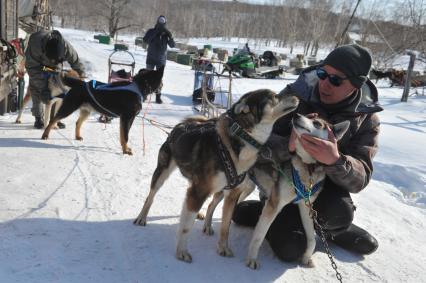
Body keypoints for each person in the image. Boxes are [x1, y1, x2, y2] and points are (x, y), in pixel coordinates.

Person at [233, 44, 383, 262]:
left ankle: (331, 227)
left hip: (322, 186)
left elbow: (360, 178)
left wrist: (336, 160)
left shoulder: (366, 119)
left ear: (356, 85)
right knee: (290, 250)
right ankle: (268, 210)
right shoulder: (294, 97)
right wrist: (288, 146)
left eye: (336, 80)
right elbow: (252, 140)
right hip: (283, 181)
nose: (325, 83)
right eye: (322, 73)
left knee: (340, 213)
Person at [25, 29, 85, 129]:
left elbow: (77, 63)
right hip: (38, 66)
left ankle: (55, 119)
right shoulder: (36, 44)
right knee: (37, 89)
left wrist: (81, 79)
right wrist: (43, 87)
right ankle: (39, 117)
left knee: (59, 91)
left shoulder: (65, 47)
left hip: (56, 68)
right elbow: (31, 68)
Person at [143, 15, 175, 104]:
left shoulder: (165, 33)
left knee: (159, 78)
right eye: (160, 21)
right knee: (147, 76)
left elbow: (172, 45)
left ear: (165, 23)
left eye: (162, 22)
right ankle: (145, 94)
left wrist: (170, 36)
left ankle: (158, 96)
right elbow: (145, 40)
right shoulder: (151, 31)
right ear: (157, 22)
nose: (161, 24)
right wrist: (155, 33)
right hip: (151, 58)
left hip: (161, 59)